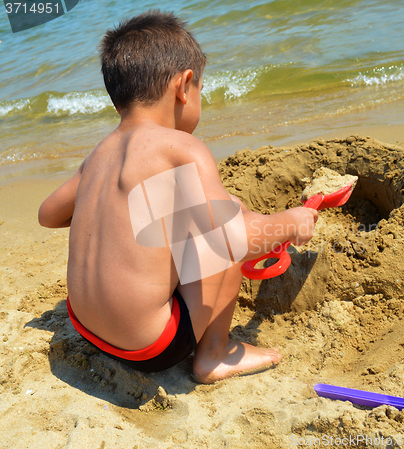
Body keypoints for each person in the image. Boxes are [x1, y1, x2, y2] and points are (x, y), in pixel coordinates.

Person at [38, 10, 318, 383]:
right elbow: (232, 240)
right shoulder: (181, 148)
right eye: (201, 90)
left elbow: (47, 214)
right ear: (184, 86)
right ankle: (214, 354)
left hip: (86, 327)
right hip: (152, 346)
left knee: (189, 215)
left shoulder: (98, 155)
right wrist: (289, 222)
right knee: (226, 214)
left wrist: (103, 205)